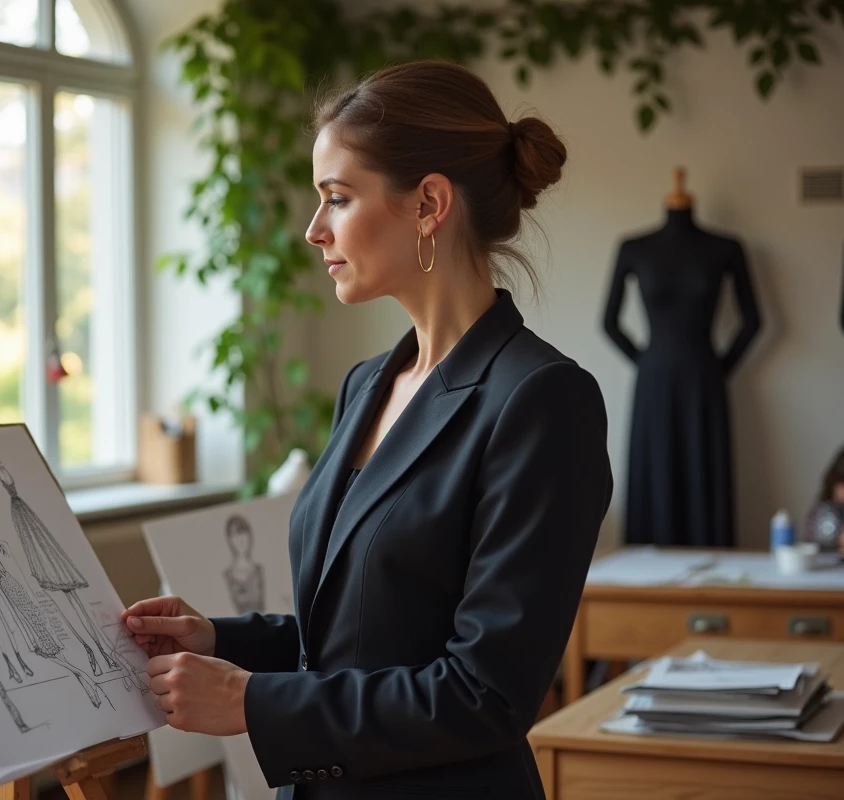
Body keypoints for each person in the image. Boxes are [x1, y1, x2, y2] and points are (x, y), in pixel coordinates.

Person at [121, 60, 613, 799]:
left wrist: (249, 702)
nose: (313, 230)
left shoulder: (542, 401)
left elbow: (487, 696)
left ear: (429, 204)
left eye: (337, 199)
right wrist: (222, 642)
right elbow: (356, 639)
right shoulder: (367, 385)